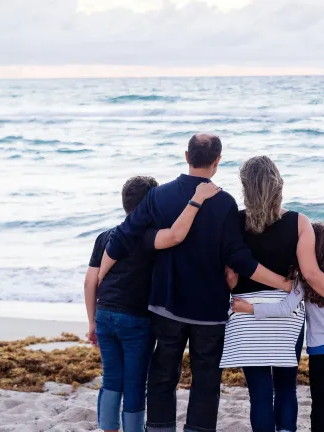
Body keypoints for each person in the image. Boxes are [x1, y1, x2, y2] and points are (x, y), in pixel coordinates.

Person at [98, 134, 292, 432]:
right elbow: (238, 258)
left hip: (166, 305)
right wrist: (282, 283)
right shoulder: (225, 202)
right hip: (209, 311)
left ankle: (160, 428)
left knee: (163, 374)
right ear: (217, 161)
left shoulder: (158, 196)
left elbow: (125, 235)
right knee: (206, 380)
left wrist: (99, 275)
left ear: (186, 156)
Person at [220, 156, 324, 432]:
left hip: (246, 311)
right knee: (286, 388)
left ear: (246, 188)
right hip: (287, 313)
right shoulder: (299, 222)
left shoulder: (235, 222)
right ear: (278, 185)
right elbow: (312, 274)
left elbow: (229, 275)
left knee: (259, 395)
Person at [85, 176, 221, 432]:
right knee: (135, 382)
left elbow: (90, 282)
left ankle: (109, 429)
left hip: (105, 314)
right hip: (135, 319)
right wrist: (197, 200)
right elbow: (177, 235)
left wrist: (92, 321)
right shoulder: (148, 237)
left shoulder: (106, 236)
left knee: (112, 379)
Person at [233, 222, 324, 432]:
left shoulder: (304, 281)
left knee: (320, 405)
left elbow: (284, 309)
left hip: (321, 352)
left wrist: (250, 309)